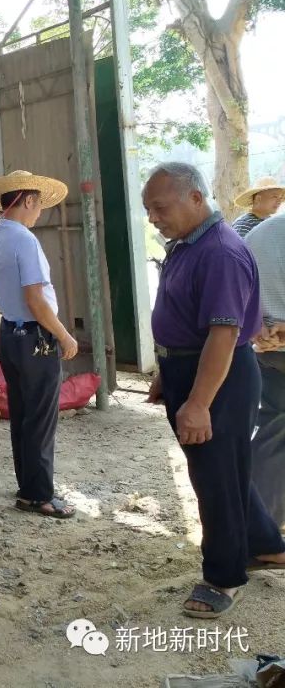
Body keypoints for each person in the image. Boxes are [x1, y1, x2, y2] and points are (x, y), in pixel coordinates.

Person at [143, 162, 285, 618]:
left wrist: (199, 401)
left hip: (219, 377)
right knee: (225, 470)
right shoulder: (188, 244)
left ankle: (224, 576)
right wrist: (168, 370)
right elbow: (184, 315)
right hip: (191, 369)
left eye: (159, 207)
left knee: (214, 479)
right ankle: (266, 545)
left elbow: (222, 336)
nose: (153, 218)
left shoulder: (221, 252)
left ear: (195, 199)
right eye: (148, 209)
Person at [0, 170, 79, 519]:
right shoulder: (24, 239)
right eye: (39, 206)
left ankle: (28, 486)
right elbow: (36, 298)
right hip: (36, 337)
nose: (39, 213)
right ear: (28, 200)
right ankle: (39, 495)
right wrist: (64, 334)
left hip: (10, 333)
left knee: (23, 414)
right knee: (40, 417)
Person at [245, 212, 285, 529]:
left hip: (264, 351)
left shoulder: (260, 233)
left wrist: (261, 328)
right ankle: (258, 526)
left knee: (274, 426)